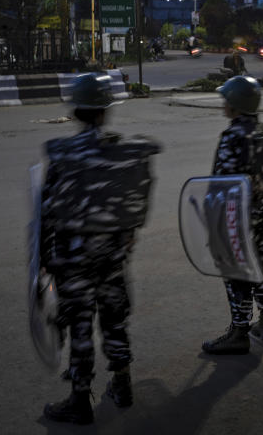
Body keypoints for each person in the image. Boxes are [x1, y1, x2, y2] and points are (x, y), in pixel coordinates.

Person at [40, 73, 160, 424]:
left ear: (76, 111)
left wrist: (46, 259)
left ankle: (80, 398)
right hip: (112, 254)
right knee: (114, 319)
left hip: (73, 257)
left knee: (80, 326)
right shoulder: (125, 153)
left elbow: (48, 212)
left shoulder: (63, 155)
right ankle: (122, 384)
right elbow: (137, 203)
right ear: (105, 112)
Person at [201, 75, 263, 355]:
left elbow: (221, 181)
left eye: (226, 100)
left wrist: (212, 216)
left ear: (235, 104)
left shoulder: (232, 136)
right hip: (260, 208)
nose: (223, 104)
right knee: (259, 262)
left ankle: (239, 330)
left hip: (236, 212)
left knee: (235, 269)